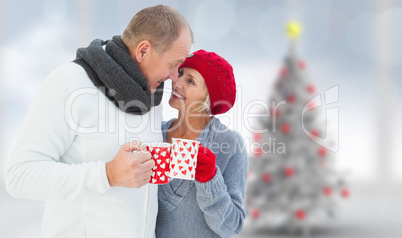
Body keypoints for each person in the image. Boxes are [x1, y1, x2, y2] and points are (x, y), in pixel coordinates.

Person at [5, 5, 193, 238]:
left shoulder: (150, 94)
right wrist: (107, 174)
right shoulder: (69, 83)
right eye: (173, 65)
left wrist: (192, 161)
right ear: (143, 51)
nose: (175, 77)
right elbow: (19, 176)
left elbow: (139, 181)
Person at [156, 50, 248, 238]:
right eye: (180, 73)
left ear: (209, 99)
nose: (177, 82)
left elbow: (231, 227)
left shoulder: (229, 144)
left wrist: (210, 180)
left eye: (190, 81)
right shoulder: (156, 133)